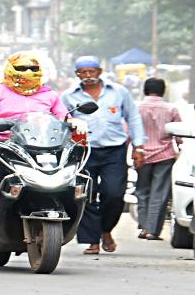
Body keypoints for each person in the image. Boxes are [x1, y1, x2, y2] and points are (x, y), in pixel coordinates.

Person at [0, 51, 86, 228]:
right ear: (10, 70)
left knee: (76, 168)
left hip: (41, 145)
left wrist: (74, 122)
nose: (28, 72)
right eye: (22, 68)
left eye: (32, 68)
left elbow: (63, 117)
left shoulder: (49, 95)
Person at [61, 56, 146, 254]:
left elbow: (132, 117)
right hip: (84, 151)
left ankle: (106, 230)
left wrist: (139, 147)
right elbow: (61, 122)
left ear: (99, 72)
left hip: (114, 150)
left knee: (114, 194)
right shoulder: (68, 96)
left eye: (92, 71)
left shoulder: (118, 92)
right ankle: (93, 241)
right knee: (86, 194)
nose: (88, 76)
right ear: (77, 74)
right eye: (83, 72)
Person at [135, 78, 182, 240]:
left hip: (142, 155)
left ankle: (143, 226)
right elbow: (179, 135)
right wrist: (180, 147)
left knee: (142, 191)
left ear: (145, 90)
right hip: (165, 155)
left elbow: (129, 131)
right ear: (163, 91)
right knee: (159, 193)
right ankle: (152, 230)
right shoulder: (171, 109)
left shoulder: (137, 108)